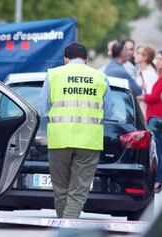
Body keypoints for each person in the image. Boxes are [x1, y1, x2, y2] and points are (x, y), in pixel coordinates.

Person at [39, 42, 107, 218]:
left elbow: (43, 109)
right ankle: (67, 229)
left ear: (65, 59)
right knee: (78, 191)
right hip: (89, 141)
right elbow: (110, 109)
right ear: (86, 60)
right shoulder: (100, 77)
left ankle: (65, 228)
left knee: (61, 189)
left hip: (59, 139)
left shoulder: (53, 75)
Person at [137, 50, 162, 192]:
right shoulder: (161, 77)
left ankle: (161, 179)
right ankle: (160, 179)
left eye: (160, 59)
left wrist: (139, 97)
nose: (157, 61)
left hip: (160, 119)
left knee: (160, 151)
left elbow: (154, 97)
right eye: (157, 59)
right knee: (159, 150)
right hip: (155, 117)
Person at [134, 45, 158, 115]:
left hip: (145, 111)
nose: (135, 55)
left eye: (138, 53)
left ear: (145, 57)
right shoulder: (140, 71)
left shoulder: (150, 73)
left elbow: (151, 95)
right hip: (140, 109)